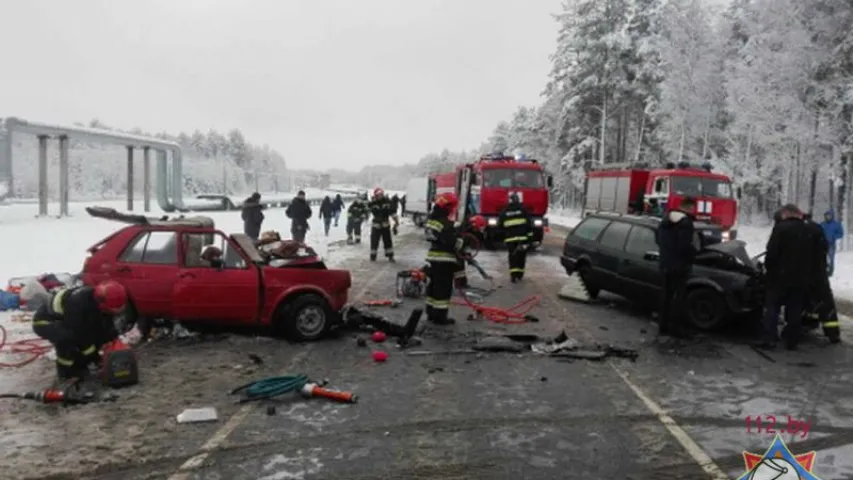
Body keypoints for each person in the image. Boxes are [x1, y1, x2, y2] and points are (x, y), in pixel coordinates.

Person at [31, 281, 127, 381]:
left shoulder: (98, 300)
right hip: (45, 322)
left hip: (67, 321)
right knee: (67, 338)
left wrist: (114, 342)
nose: (113, 313)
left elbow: (105, 326)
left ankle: (82, 364)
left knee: (94, 336)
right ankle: (66, 372)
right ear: (101, 303)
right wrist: (93, 356)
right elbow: (79, 335)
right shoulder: (78, 304)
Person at [758, 204, 814, 350]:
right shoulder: (808, 230)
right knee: (795, 309)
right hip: (801, 278)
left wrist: (769, 270)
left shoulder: (780, 229)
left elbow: (772, 253)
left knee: (773, 308)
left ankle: (769, 339)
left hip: (779, 277)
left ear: (787, 213)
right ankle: (792, 341)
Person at [656, 196, 698, 338]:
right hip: (679, 266)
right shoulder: (686, 223)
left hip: (665, 264)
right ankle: (676, 328)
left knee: (665, 296)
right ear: (689, 208)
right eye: (693, 208)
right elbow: (684, 246)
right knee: (678, 297)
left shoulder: (665, 221)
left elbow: (658, 240)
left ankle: (663, 325)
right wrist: (694, 255)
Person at [424, 192, 462, 325]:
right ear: (447, 207)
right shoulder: (445, 223)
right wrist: (461, 240)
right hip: (445, 260)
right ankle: (440, 316)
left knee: (433, 287)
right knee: (443, 289)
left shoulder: (432, 220)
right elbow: (451, 243)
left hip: (433, 258)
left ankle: (430, 313)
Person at [803, 213, 841, 343]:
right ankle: (833, 334)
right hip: (820, 272)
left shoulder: (802, 231)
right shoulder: (819, 228)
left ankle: (810, 323)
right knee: (825, 303)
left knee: (812, 300)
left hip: (809, 273)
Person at [498, 193, 534, 282]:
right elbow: (529, 225)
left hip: (510, 239)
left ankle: (513, 276)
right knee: (521, 256)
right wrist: (530, 238)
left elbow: (500, 225)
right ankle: (520, 275)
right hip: (522, 239)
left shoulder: (505, 211)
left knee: (512, 256)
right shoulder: (523, 210)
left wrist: (503, 235)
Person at [368, 188, 397, 262]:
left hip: (385, 225)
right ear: (375, 195)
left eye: (381, 194)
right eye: (378, 194)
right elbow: (368, 210)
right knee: (374, 241)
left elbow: (392, 211)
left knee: (388, 241)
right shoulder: (373, 203)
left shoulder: (387, 202)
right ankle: (373, 256)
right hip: (376, 225)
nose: (380, 196)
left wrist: (396, 221)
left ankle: (390, 256)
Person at [821, 209, 844, 276]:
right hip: (823, 243)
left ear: (832, 216)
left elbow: (840, 233)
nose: (828, 217)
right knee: (823, 257)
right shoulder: (823, 224)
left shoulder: (836, 224)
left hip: (831, 244)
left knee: (831, 258)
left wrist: (834, 237)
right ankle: (823, 270)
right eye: (826, 216)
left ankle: (830, 271)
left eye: (829, 216)